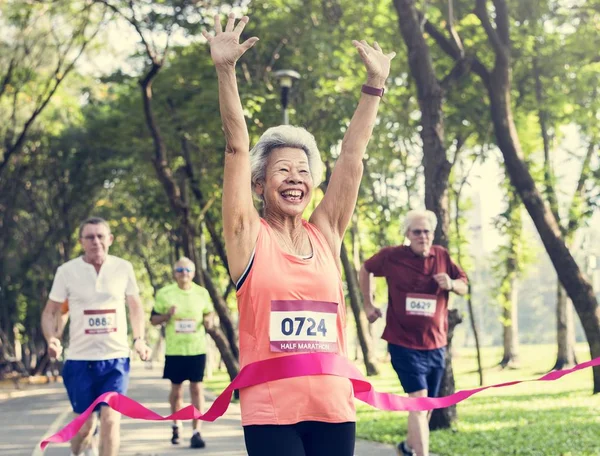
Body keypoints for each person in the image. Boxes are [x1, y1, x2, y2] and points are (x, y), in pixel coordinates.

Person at [202, 12, 395, 456]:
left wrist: (374, 87)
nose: (295, 178)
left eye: (303, 171)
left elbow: (352, 157)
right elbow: (235, 146)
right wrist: (226, 71)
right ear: (259, 185)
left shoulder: (325, 233)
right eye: (282, 170)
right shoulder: (247, 236)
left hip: (333, 407)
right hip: (272, 411)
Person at [358, 209, 468, 456]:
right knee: (419, 404)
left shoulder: (442, 256)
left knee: (424, 408)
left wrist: (450, 284)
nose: (422, 236)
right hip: (403, 342)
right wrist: (368, 303)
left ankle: (408, 447)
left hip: (436, 345)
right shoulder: (392, 256)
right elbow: (365, 269)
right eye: (416, 232)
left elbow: (463, 283)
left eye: (427, 231)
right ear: (407, 234)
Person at [41, 217, 152, 456]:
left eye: (100, 236)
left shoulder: (123, 268)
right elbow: (50, 311)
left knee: (111, 419)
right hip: (80, 360)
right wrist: (52, 338)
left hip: (116, 359)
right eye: (90, 237)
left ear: (110, 239)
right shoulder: (67, 272)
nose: (96, 242)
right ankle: (78, 452)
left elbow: (135, 307)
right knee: (85, 427)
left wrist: (139, 339)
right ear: (82, 242)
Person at [150, 257, 215, 449]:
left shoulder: (201, 293)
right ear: (174, 273)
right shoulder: (165, 293)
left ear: (193, 273)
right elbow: (153, 319)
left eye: (187, 270)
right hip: (175, 350)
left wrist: (209, 320)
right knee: (176, 391)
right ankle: (176, 424)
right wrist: (167, 315)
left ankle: (197, 431)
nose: (184, 273)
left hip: (197, 348)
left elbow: (209, 312)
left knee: (197, 389)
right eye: (179, 269)